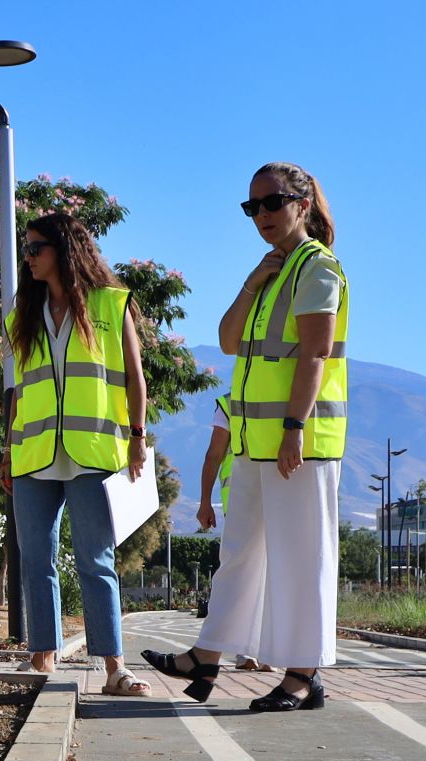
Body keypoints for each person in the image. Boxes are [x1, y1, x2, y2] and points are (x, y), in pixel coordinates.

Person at [143, 162, 347, 711]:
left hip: (296, 442)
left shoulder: (316, 267)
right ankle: (207, 657)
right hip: (253, 444)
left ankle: (303, 676)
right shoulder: (274, 272)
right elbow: (229, 341)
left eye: (272, 203)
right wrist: (251, 281)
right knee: (240, 554)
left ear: (302, 204)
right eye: (251, 207)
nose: (261, 215)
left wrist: (294, 428)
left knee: (302, 559)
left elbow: (315, 354)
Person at [1, 212, 151, 696]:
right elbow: (21, 391)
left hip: (92, 453)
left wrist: (136, 436)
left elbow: (133, 376)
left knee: (95, 560)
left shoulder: (112, 303)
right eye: (25, 249)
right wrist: (7, 451)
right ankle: (41, 657)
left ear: (64, 249)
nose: (28, 258)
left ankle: (114, 668)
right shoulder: (21, 315)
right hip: (33, 454)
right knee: (35, 558)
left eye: (35, 248)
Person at [196, 395, 269, 673]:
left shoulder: (229, 403)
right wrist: (204, 501)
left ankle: (254, 650)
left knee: (249, 574)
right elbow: (213, 455)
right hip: (248, 501)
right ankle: (250, 651)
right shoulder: (230, 404)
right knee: (254, 574)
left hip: (248, 501)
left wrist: (205, 501)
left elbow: (213, 454)